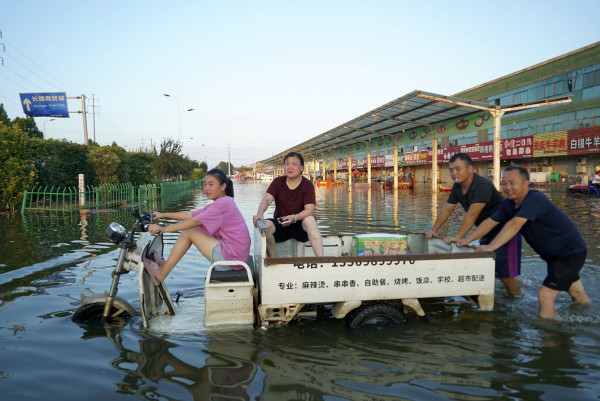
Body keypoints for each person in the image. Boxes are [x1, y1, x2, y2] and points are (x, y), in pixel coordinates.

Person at [457, 166, 591, 319]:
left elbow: (514, 224)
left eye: (512, 183)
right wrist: (466, 240)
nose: (507, 187)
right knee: (576, 292)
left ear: (526, 183)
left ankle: (547, 330)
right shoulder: (508, 204)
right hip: (555, 256)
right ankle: (590, 314)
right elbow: (490, 222)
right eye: (504, 183)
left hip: (569, 253)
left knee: (545, 295)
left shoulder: (535, 199)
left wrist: (491, 247)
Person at [425, 153, 522, 295]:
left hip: (506, 233)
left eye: (458, 169)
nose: (454, 173)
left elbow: (472, 214)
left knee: (505, 276)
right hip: (485, 232)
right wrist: (434, 230)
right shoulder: (457, 187)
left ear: (470, 169)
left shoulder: (482, 185)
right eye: (451, 170)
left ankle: (519, 302)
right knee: (492, 268)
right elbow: (447, 208)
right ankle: (518, 283)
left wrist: (458, 237)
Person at [144, 168, 251, 286]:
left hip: (232, 260)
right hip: (236, 257)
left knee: (189, 231)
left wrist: (163, 229)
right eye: (205, 184)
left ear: (223, 186)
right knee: (191, 230)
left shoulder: (223, 204)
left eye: (211, 185)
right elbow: (190, 215)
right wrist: (162, 215)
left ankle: (161, 274)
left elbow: (195, 221)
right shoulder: (223, 202)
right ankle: (166, 265)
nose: (206, 188)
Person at [253, 151, 324, 257]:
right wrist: (260, 213)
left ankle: (321, 260)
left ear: (302, 168)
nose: (290, 167)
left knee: (310, 220)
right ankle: (274, 260)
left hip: (300, 225)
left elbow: (309, 210)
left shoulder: (307, 185)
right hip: (281, 223)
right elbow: (267, 199)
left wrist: (294, 218)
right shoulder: (278, 182)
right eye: (287, 164)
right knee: (265, 226)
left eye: (294, 164)